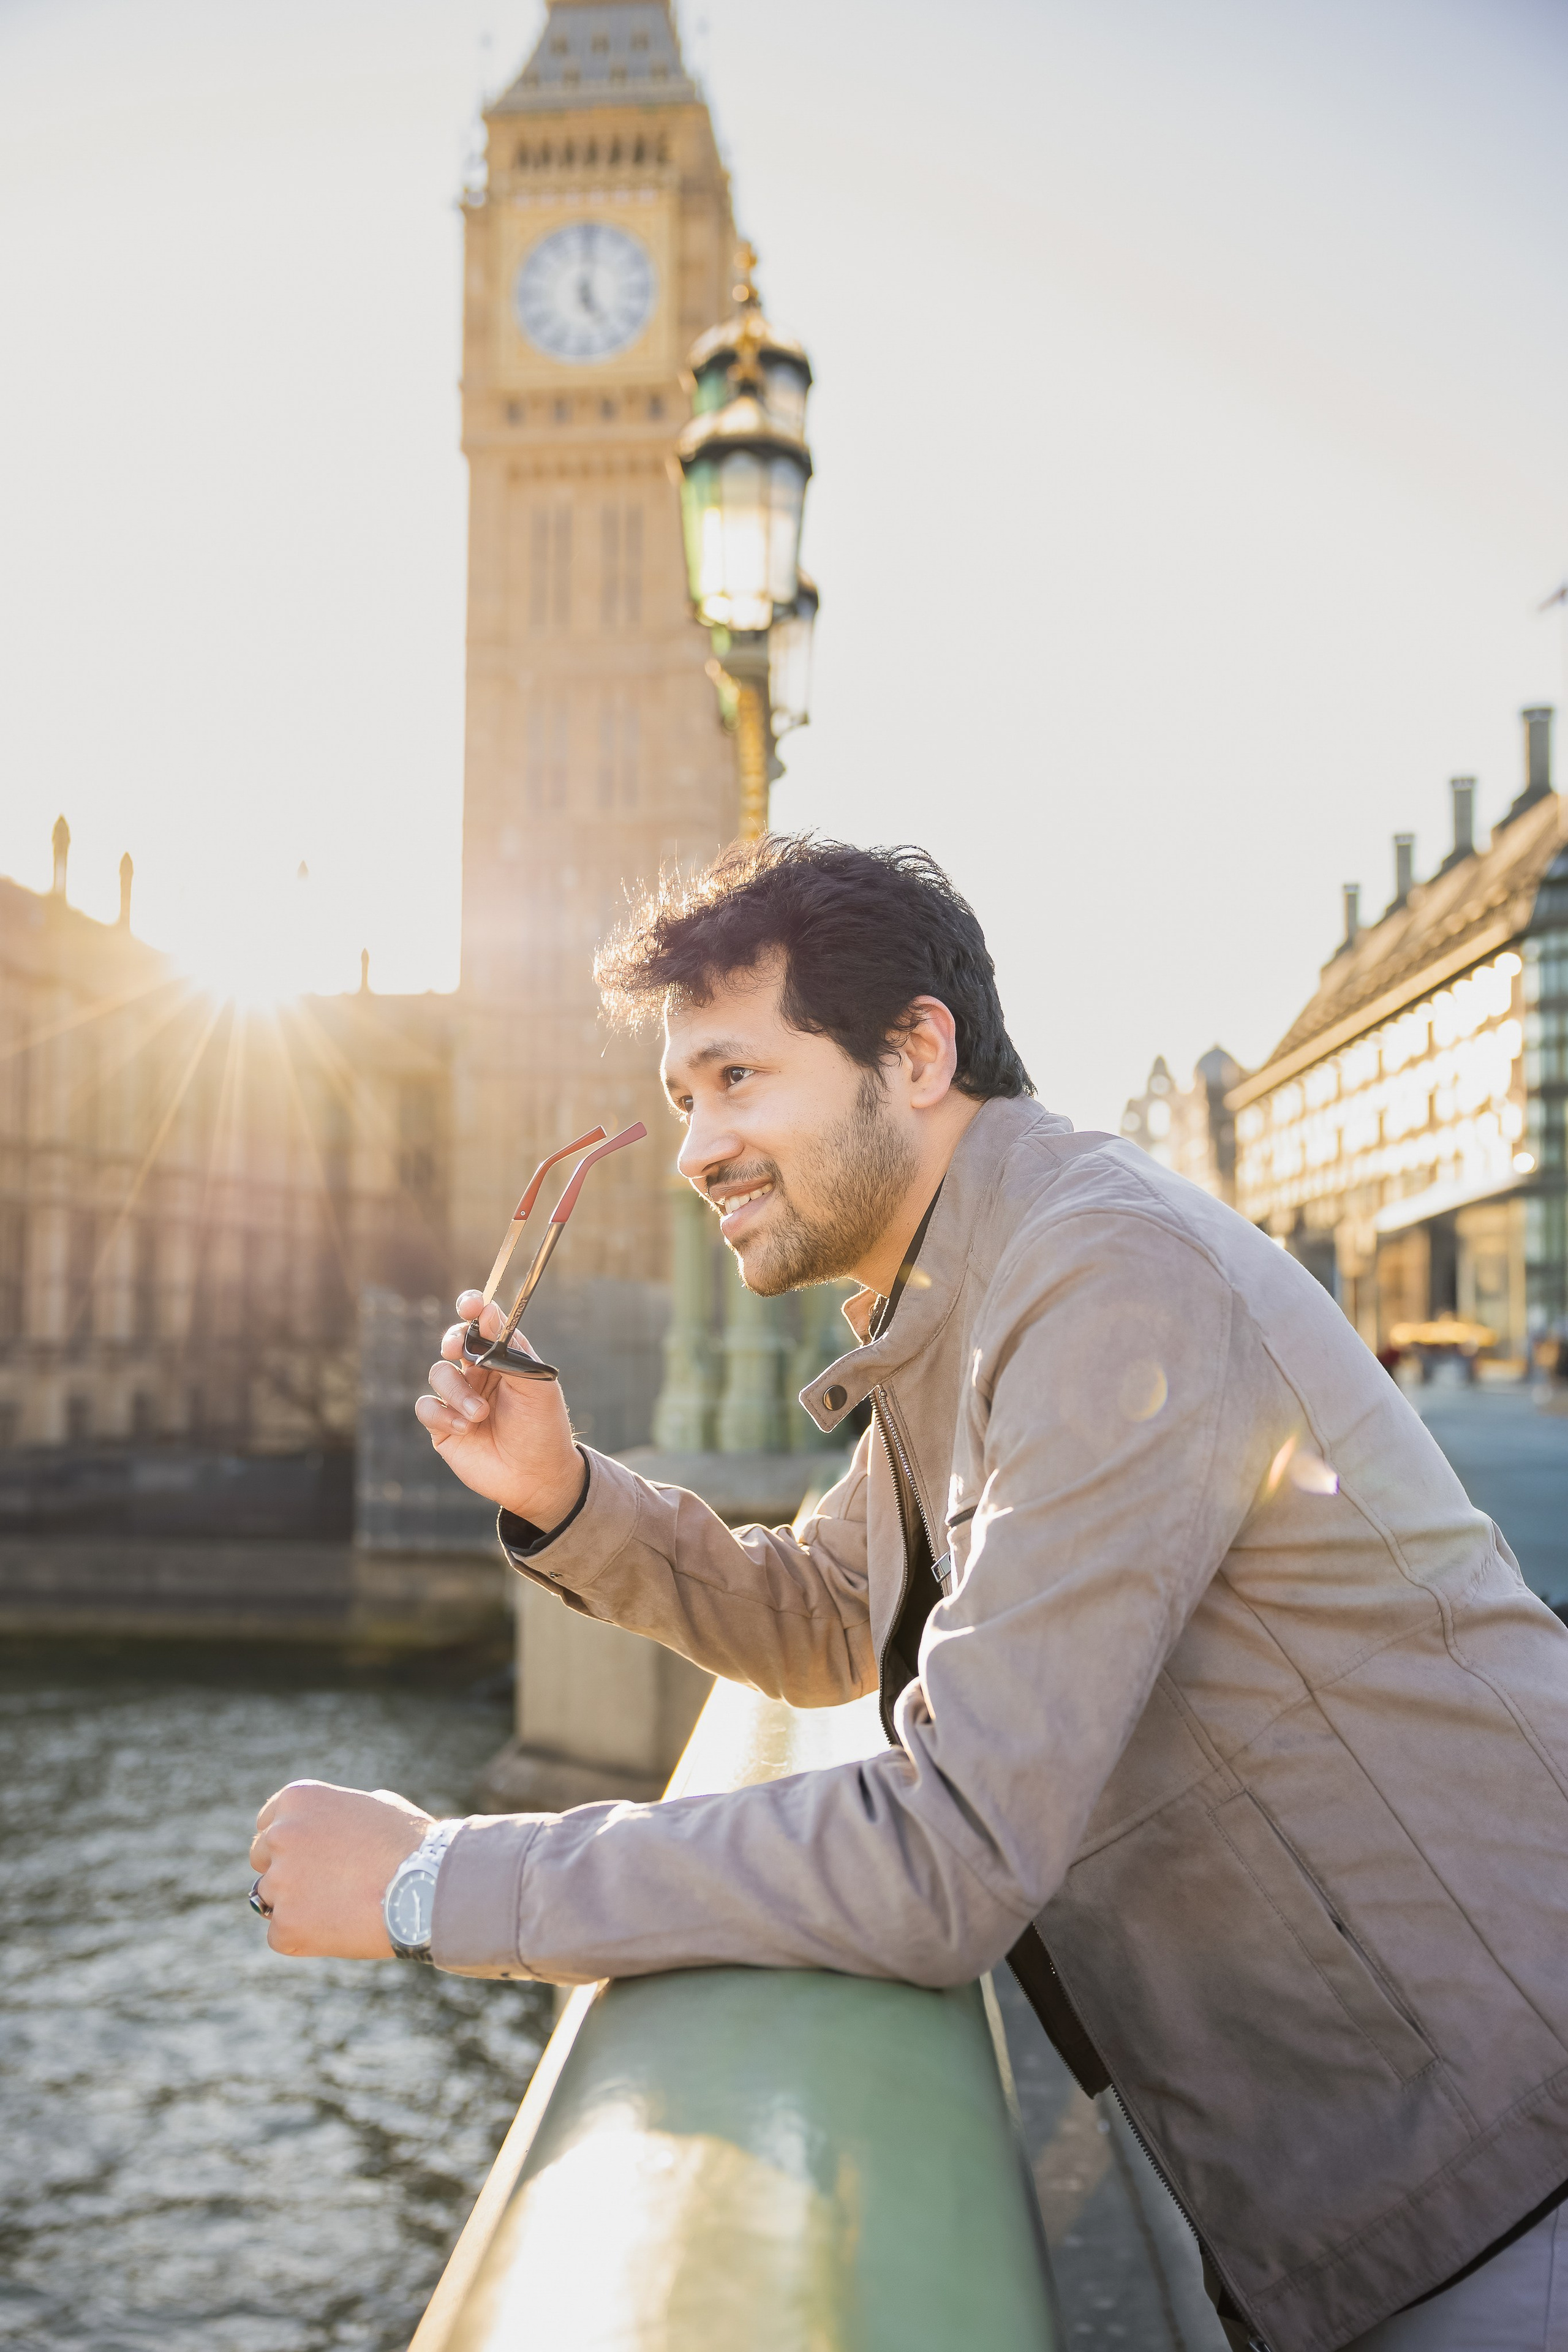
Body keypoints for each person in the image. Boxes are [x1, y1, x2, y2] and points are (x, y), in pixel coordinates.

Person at [251, 837, 1568, 2352]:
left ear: (916, 1051)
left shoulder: (1101, 1279)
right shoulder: (969, 1286)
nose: (693, 1148)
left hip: (1507, 2151)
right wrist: (563, 1495)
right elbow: (828, 1615)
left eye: (738, 1077)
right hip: (1392, 2162)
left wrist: (436, 1882)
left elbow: (950, 1850)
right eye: (683, 1098)